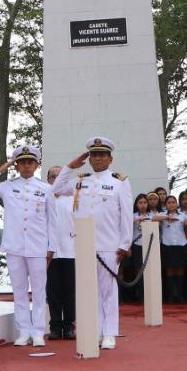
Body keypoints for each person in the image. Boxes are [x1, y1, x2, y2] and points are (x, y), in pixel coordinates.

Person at [51, 137, 133, 350]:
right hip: (84, 245)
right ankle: (95, 330)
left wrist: (125, 243)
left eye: (102, 155)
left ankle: (109, 333)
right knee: (90, 291)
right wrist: (70, 166)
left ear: (110, 159)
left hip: (109, 244)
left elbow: (126, 214)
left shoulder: (120, 181)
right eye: (94, 155)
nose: (98, 158)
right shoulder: (81, 180)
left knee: (108, 290)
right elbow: (56, 188)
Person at [0, 145, 53, 347]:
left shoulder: (46, 189)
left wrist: (51, 247)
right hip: (14, 246)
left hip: (37, 246)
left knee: (38, 291)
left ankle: (38, 331)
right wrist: (3, 167)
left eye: (30, 162)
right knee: (18, 291)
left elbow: (52, 221)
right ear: (16, 165)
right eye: (22, 162)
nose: (26, 166)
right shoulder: (7, 186)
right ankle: (23, 331)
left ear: (36, 165)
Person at [46, 165, 77, 340]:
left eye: (60, 176)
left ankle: (69, 325)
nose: (56, 180)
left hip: (71, 252)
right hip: (50, 253)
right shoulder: (43, 199)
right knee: (53, 292)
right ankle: (55, 326)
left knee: (70, 292)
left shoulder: (73, 199)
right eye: (53, 176)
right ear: (48, 180)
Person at [156, 196, 187, 303]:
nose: (171, 204)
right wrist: (167, 218)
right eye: (169, 202)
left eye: (173, 202)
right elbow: (153, 218)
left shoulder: (182, 215)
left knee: (180, 270)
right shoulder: (162, 215)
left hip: (181, 245)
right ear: (165, 204)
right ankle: (171, 295)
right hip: (167, 245)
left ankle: (179, 295)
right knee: (169, 271)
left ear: (177, 203)